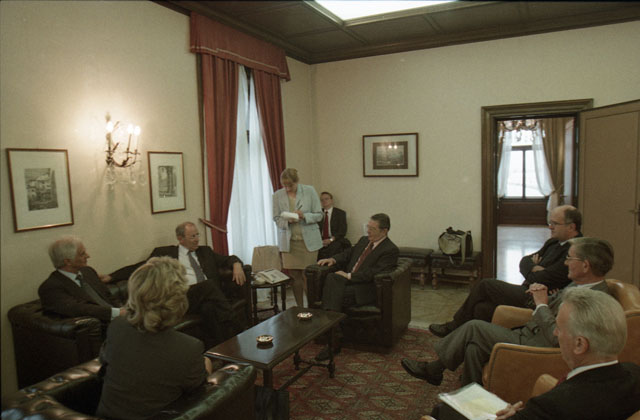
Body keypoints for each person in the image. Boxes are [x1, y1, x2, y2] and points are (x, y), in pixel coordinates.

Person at [401, 237, 613, 386]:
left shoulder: (592, 300)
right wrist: (543, 297)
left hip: (537, 348)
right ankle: (470, 397)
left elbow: (556, 338)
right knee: (474, 347)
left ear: (585, 266)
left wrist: (541, 305)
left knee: (474, 327)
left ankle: (435, 369)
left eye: (570, 259)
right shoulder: (579, 285)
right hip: (528, 333)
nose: (565, 263)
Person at [430, 287, 640, 420]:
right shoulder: (635, 374)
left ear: (579, 344)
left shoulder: (554, 405)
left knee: (443, 411)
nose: (555, 333)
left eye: (559, 328)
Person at [429, 205, 582, 338]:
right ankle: (470, 343)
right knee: (480, 308)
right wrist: (534, 268)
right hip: (528, 289)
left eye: (555, 224)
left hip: (536, 299)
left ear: (571, 227)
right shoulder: (553, 242)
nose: (550, 227)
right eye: (550, 222)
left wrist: (536, 269)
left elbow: (545, 277)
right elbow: (524, 261)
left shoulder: (575, 251)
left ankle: (454, 326)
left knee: (485, 285)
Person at [96, 257, 212, 420]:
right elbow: (198, 389)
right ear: (178, 300)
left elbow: (106, 361)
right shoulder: (188, 348)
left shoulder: (117, 326)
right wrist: (206, 364)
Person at [110, 221, 247, 345]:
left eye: (197, 235)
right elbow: (140, 267)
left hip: (205, 298)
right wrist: (111, 277)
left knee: (209, 308)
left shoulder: (205, 251)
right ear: (180, 239)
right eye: (192, 237)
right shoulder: (165, 253)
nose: (197, 239)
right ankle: (239, 329)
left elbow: (227, 259)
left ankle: (222, 349)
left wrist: (236, 264)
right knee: (208, 285)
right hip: (181, 298)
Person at [315, 213, 399, 360]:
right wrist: (333, 259)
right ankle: (335, 335)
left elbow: (373, 273)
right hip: (346, 283)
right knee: (332, 279)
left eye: (372, 229)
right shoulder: (364, 240)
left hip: (364, 287)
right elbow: (348, 253)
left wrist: (348, 276)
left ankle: (332, 339)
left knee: (331, 286)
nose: (368, 231)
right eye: (368, 227)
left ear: (384, 231)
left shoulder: (390, 250)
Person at [39, 236, 125, 324]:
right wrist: (117, 313)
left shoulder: (88, 271)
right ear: (68, 262)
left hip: (121, 318)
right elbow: (81, 309)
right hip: (104, 324)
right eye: (82, 254)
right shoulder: (51, 288)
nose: (88, 256)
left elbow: (108, 296)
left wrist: (122, 309)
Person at [272, 168, 323, 307]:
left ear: (297, 182)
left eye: (290, 185)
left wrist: (304, 216)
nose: (287, 188)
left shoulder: (309, 191)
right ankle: (300, 308)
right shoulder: (277, 195)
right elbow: (276, 218)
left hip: (308, 242)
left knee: (308, 276)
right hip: (289, 243)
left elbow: (319, 215)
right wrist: (287, 221)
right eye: (284, 185)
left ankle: (311, 307)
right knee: (295, 277)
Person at [317, 191, 349, 260]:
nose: (324, 201)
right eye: (322, 200)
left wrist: (330, 240)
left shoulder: (340, 213)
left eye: (326, 199)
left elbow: (342, 231)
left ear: (331, 200)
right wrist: (320, 241)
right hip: (320, 240)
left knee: (335, 248)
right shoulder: (317, 214)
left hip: (334, 240)